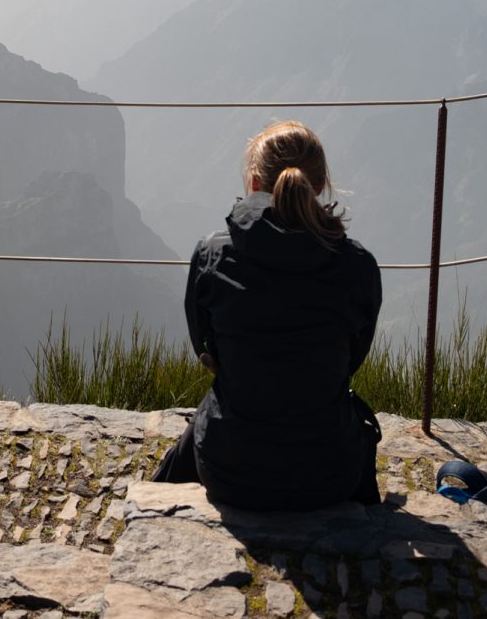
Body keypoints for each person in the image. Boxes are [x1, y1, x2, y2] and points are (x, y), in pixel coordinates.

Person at [150, 120, 383, 509]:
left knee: (216, 409)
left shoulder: (212, 255)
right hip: (329, 475)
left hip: (230, 471)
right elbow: (352, 358)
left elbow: (206, 349)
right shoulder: (358, 266)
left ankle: (154, 504)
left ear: (254, 182)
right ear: (320, 186)